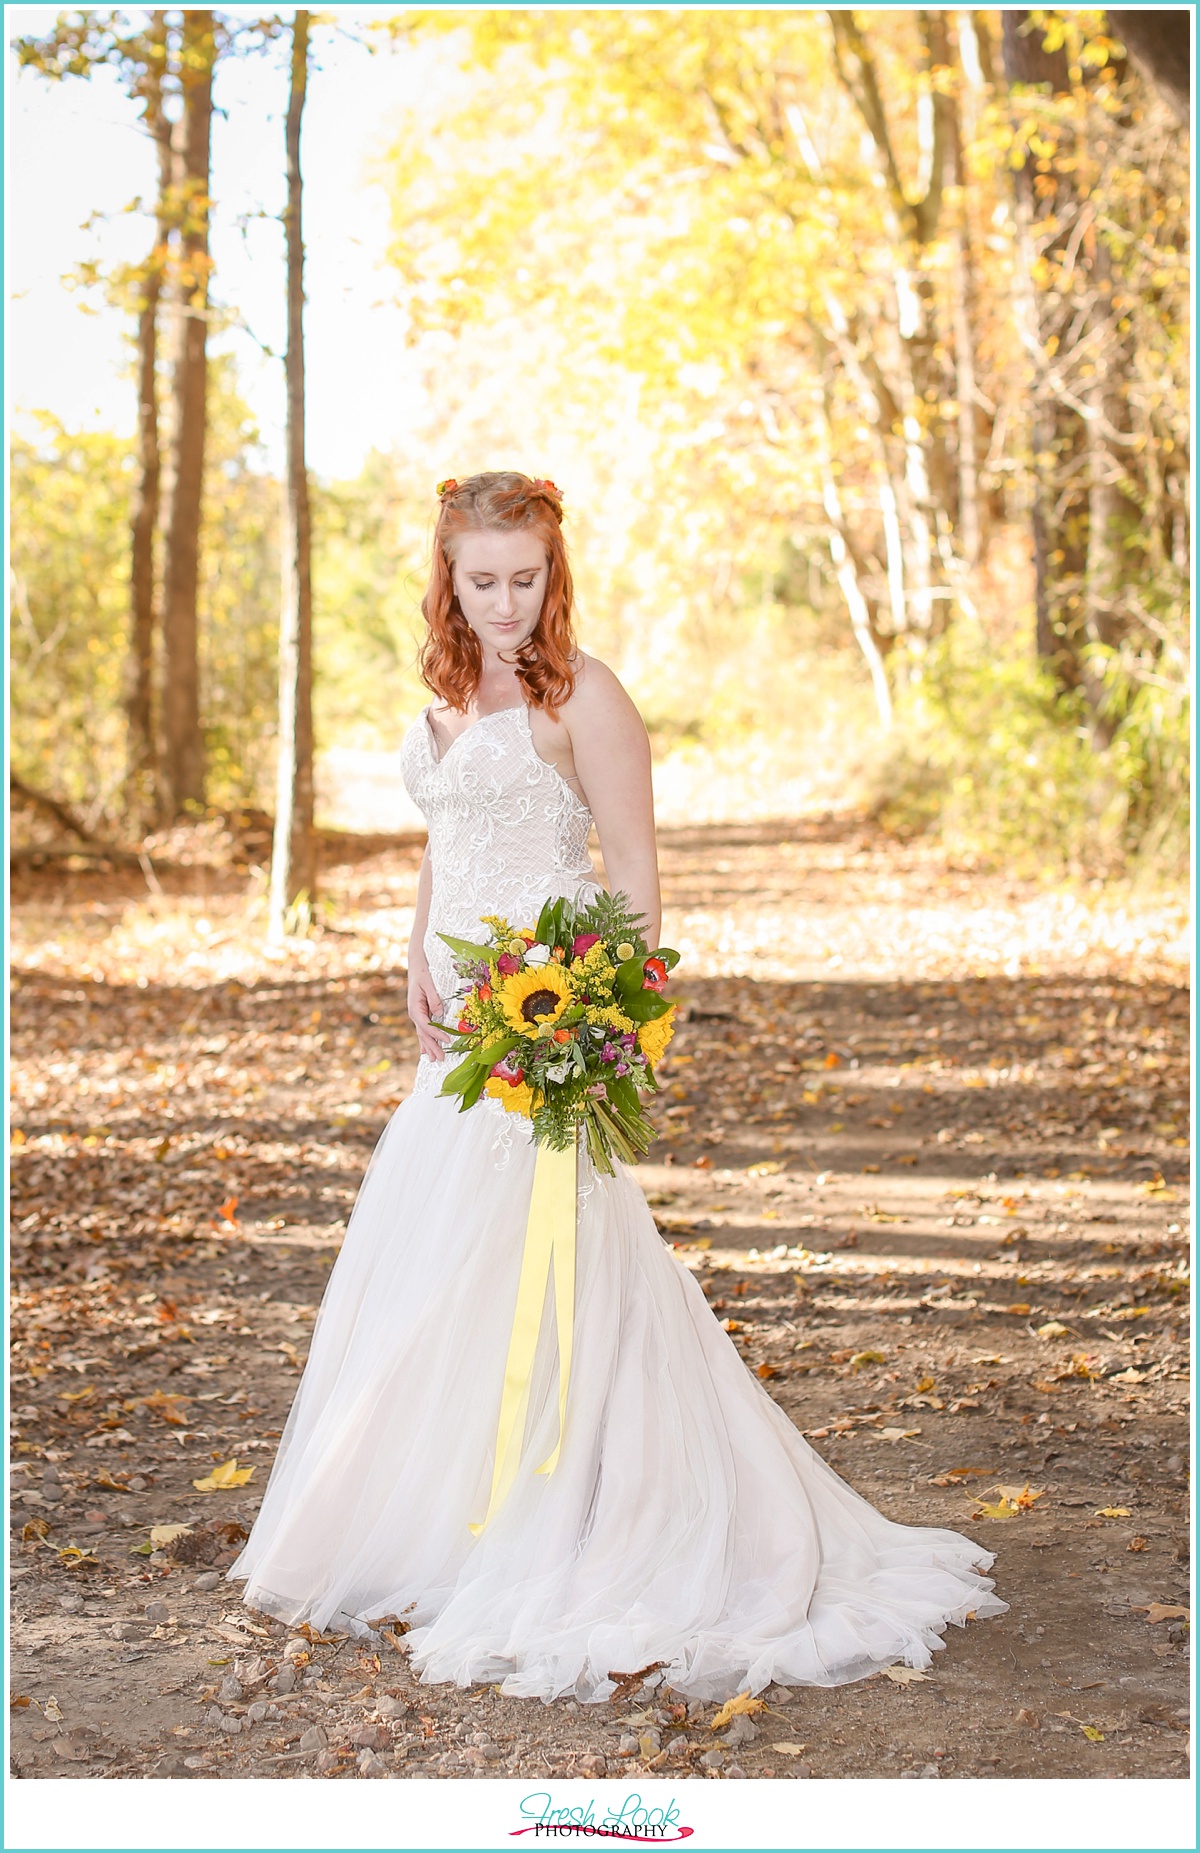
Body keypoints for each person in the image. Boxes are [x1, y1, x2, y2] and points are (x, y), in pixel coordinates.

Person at [229, 470, 1005, 1704]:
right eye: (478, 579)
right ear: (447, 577)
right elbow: (449, 847)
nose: (501, 601)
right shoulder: (445, 694)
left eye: (522, 577)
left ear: (553, 571)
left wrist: (599, 1024)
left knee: (548, 1273)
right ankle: (446, 1520)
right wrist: (409, 956)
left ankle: (578, 1522)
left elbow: (636, 881)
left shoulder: (587, 696)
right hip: (452, 1048)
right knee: (437, 1279)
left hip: (542, 1040)